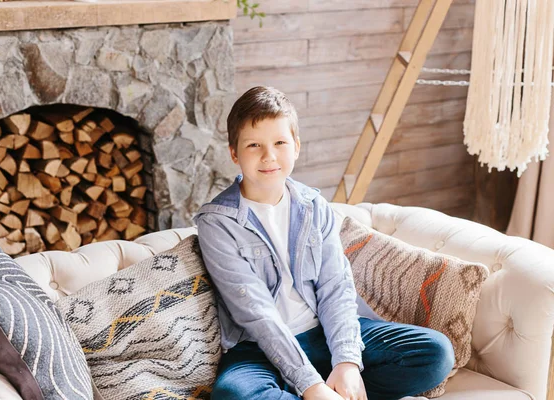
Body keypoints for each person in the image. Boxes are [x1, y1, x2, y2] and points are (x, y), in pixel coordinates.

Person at [194, 86, 455, 400]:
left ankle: (332, 389)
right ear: (234, 153)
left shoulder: (314, 206)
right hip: (258, 346)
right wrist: (310, 384)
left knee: (435, 353)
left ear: (296, 147)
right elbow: (256, 313)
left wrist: (346, 361)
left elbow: (336, 285)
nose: (269, 156)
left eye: (280, 142)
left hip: (322, 333)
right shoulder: (217, 222)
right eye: (254, 145)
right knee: (232, 395)